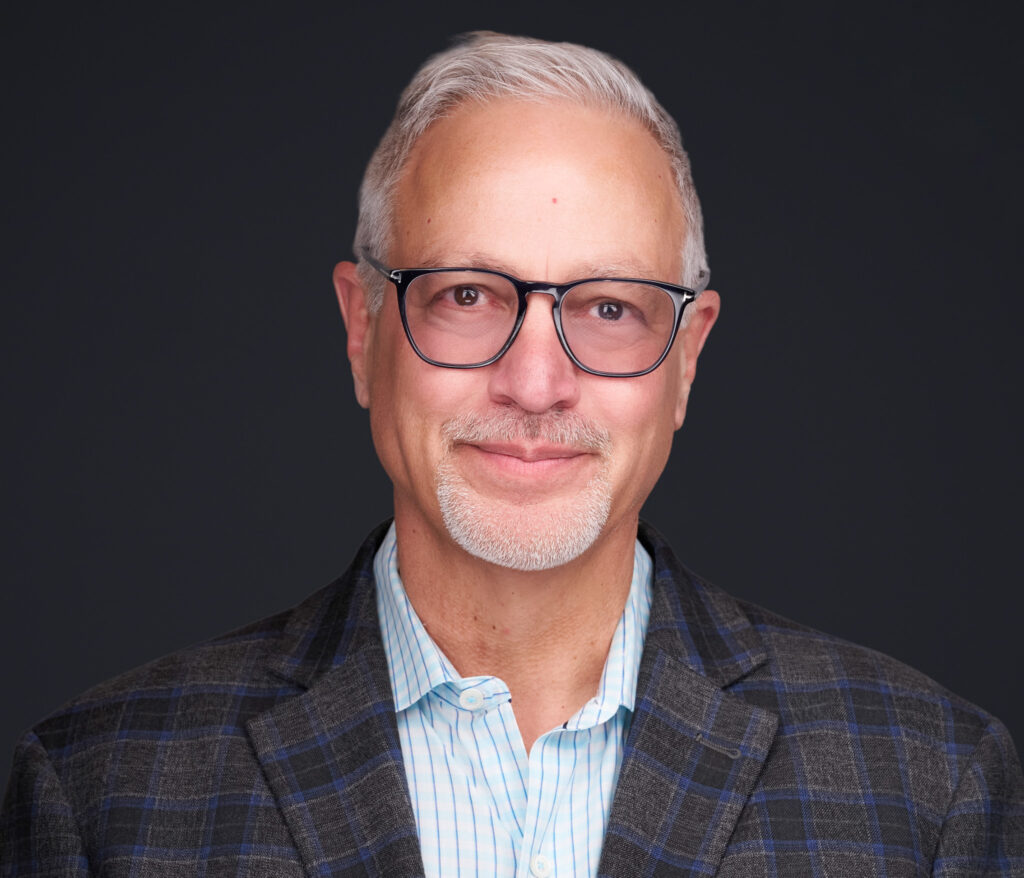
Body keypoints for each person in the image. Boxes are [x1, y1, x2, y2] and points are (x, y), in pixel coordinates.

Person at [2, 31, 1021, 877]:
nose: (536, 383)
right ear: (361, 330)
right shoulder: (101, 793)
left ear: (687, 358)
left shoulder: (929, 788)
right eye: (467, 295)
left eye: (609, 307)